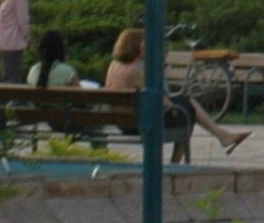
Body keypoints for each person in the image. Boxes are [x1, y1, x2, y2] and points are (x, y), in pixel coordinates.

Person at [103, 27, 252, 153]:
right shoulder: (137, 71)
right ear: (135, 46)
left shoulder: (114, 66)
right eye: (145, 44)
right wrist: (173, 106)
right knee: (186, 111)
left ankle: (223, 136)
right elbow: (162, 99)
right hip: (140, 124)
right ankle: (220, 138)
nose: (148, 46)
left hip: (123, 122)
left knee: (186, 105)